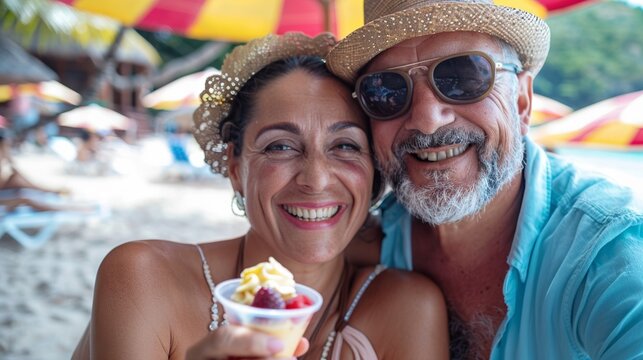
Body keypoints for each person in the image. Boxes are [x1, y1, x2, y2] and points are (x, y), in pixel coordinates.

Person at [72, 32, 449, 360]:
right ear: (235, 166)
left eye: (345, 146)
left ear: (374, 173)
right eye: (281, 146)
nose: (315, 180)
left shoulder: (409, 309)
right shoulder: (145, 277)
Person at [326, 0, 643, 359]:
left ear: (522, 101)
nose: (428, 119)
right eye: (386, 91)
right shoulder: (366, 240)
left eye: (463, 77)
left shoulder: (611, 252)